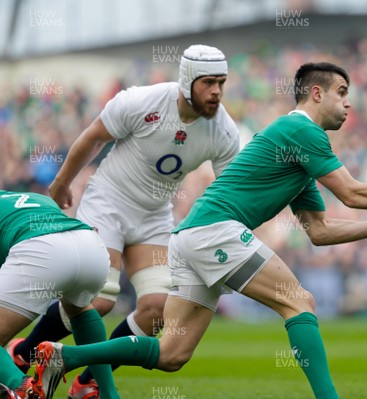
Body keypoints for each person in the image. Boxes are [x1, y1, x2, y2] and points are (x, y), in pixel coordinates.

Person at [31, 62, 367, 399]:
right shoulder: (302, 129)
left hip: (191, 237)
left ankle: (63, 357)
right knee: (300, 301)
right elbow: (350, 192)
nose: (349, 103)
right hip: (213, 232)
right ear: (317, 93)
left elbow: (320, 231)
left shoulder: (298, 151)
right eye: (342, 93)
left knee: (171, 356)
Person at [6, 44, 239, 399]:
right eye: (209, 82)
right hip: (109, 203)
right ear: (188, 80)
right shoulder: (142, 101)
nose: (217, 92)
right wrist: (62, 184)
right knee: (99, 303)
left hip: (155, 215)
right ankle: (26, 353)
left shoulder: (224, 132)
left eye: (221, 82)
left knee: (157, 310)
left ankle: (88, 382)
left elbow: (230, 191)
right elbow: (93, 137)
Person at [0, 190, 119, 399]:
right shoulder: (28, 196)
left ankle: (23, 387)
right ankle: (109, 394)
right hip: (91, 246)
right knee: (79, 309)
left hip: (42, 250)